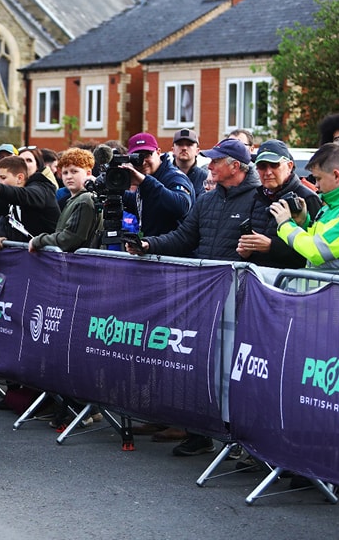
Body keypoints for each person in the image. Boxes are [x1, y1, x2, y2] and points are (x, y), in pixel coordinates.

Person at [127, 137, 260, 457]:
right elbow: (184, 237)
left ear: (235, 166)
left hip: (243, 298)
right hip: (206, 295)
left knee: (236, 371)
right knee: (202, 365)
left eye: (216, 161)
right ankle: (200, 433)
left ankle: (243, 441)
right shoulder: (208, 199)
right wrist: (149, 244)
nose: (209, 165)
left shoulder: (258, 199)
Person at [272, 142, 339, 269]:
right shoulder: (333, 206)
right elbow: (320, 239)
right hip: (323, 282)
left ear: (336, 175)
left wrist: (285, 224)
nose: (316, 185)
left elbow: (315, 251)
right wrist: (304, 222)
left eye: (318, 178)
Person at [236, 139, 321, 269]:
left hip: (291, 278)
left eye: (274, 165)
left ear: (290, 166)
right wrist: (246, 253)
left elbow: (315, 251)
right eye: (262, 166)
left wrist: (271, 246)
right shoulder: (256, 196)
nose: (268, 172)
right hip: (255, 276)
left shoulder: (308, 198)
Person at [121, 132, 195, 237]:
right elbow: (147, 205)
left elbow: (182, 207)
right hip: (151, 244)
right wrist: (118, 192)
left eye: (147, 155)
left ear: (158, 152)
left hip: (174, 246)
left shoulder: (174, 176)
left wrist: (145, 182)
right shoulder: (149, 177)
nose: (143, 162)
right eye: (137, 158)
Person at [29, 148, 101, 253]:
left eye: (74, 171)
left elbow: (69, 239)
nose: (69, 177)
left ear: (88, 173)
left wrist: (38, 241)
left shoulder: (85, 199)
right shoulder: (75, 199)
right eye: (65, 173)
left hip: (81, 260)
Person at [171, 129, 208, 196]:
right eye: (180, 144)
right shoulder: (164, 176)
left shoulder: (205, 178)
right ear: (173, 150)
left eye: (189, 145)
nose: (184, 148)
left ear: (197, 151)